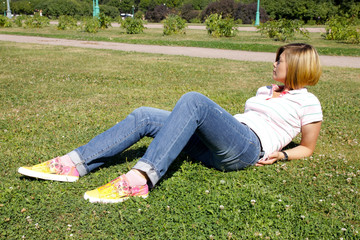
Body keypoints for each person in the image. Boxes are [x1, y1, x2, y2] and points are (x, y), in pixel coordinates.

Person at [18, 43, 323, 204]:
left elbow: (307, 147)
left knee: (194, 100)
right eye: (276, 58)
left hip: (246, 147)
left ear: (296, 66)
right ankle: (74, 163)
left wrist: (282, 155)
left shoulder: (307, 102)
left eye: (280, 60)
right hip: (224, 140)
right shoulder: (264, 91)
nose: (274, 63)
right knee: (144, 115)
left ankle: (140, 180)